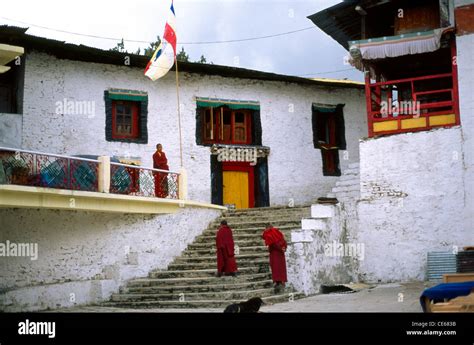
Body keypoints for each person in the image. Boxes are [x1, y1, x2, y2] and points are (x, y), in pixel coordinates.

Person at [262, 223, 287, 294]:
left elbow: (271, 242)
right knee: (281, 268)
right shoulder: (278, 232)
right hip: (281, 253)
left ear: (267, 228)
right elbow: (283, 241)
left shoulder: (270, 232)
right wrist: (283, 248)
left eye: (265, 229)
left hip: (274, 253)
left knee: (275, 268)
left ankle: (278, 282)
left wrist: (279, 248)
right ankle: (281, 282)